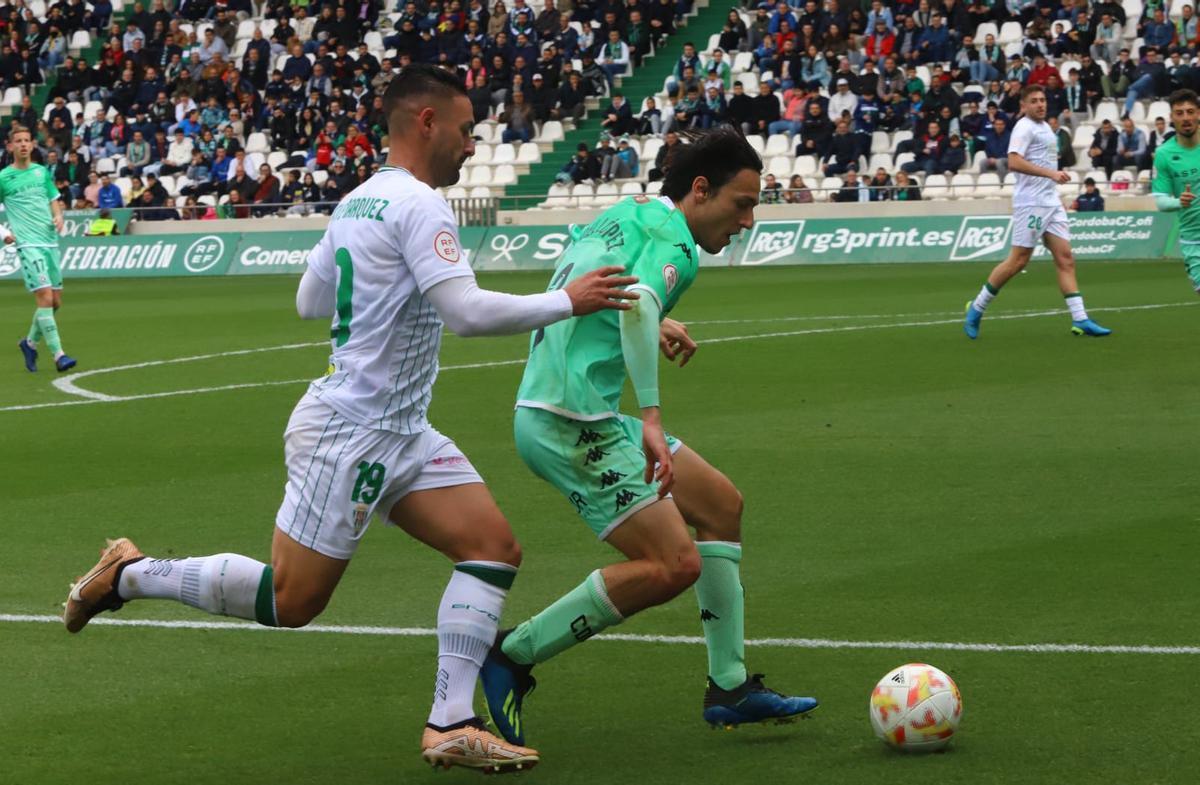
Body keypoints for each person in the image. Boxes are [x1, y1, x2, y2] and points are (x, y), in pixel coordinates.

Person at [61, 64, 642, 774]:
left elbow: (310, 300)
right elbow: (464, 312)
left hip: (401, 429)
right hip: (350, 432)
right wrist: (567, 301)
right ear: (425, 122)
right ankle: (131, 572)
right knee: (292, 598)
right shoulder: (421, 205)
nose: (470, 143)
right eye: (465, 129)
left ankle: (449, 723)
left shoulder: (357, 202)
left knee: (492, 546)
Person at [478, 127, 818, 751]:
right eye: (741, 204)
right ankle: (512, 655)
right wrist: (653, 417)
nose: (748, 220)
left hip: (570, 410)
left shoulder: (628, 211)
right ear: (699, 190)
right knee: (673, 564)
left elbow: (603, 279)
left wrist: (657, 316)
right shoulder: (677, 244)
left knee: (720, 507)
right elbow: (633, 305)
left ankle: (731, 686)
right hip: (570, 423)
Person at [964, 85, 1112, 339]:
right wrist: (1051, 174)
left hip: (1050, 201)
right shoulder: (1024, 127)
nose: (1040, 104)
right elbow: (1013, 161)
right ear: (1023, 105)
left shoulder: (1044, 127)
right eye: (1034, 101)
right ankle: (976, 308)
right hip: (1030, 202)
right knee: (1018, 261)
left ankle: (1080, 318)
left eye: (1043, 100)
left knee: (1065, 258)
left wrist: (1052, 182)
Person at [5, 126, 75, 373]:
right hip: (28, 244)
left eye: (27, 140)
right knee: (44, 297)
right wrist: (3, 233)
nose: (23, 144)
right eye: (18, 141)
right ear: (10, 146)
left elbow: (52, 198)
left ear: (32, 145)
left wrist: (58, 217)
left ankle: (29, 343)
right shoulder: (4, 177)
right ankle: (59, 355)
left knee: (55, 302)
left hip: (49, 242)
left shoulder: (41, 172)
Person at [1152, 89, 1200, 293]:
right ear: (1172, 118)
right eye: (1179, 113)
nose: (1186, 118)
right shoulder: (1164, 154)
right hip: (1193, 240)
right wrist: (1179, 202)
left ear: (1199, 113)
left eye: (1190, 111)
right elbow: (1161, 201)